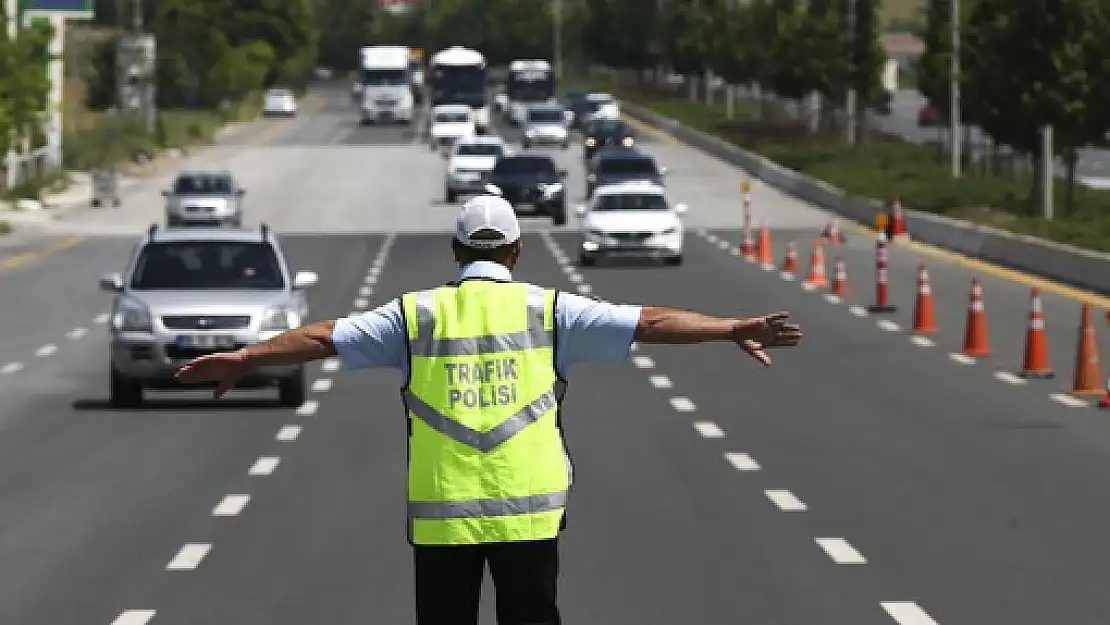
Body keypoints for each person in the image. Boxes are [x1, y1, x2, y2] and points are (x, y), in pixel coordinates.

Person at [175, 194, 803, 625]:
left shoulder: (413, 316)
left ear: (454, 251)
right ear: (518, 250)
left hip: (443, 517)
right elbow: (649, 321)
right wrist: (729, 327)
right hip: (530, 513)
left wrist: (246, 357)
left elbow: (321, 337)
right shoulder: (552, 310)